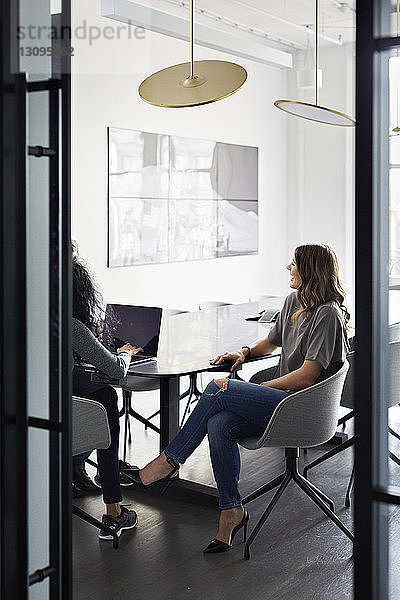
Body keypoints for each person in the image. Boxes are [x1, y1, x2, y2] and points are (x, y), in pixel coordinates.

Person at [129, 244, 350, 553]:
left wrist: (266, 387)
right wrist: (244, 353)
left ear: (310, 270)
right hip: (280, 401)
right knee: (220, 423)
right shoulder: (293, 302)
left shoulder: (328, 314)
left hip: (302, 407)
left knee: (219, 388)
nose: (289, 268)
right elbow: (270, 343)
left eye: (294, 263)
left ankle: (170, 460)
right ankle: (231, 509)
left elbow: (307, 376)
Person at [72, 244, 142, 540]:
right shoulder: (73, 327)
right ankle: (114, 512)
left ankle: (76, 467)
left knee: (92, 394)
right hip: (71, 411)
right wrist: (124, 353)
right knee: (106, 396)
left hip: (40, 410)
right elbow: (117, 371)